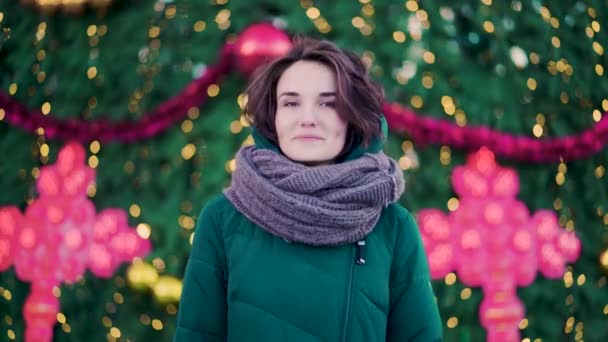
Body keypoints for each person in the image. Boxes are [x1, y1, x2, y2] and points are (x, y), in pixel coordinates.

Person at [174, 37, 442, 341]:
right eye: (290, 103)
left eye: (328, 103)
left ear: (353, 118)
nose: (307, 119)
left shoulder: (393, 227)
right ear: (272, 117)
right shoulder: (222, 219)